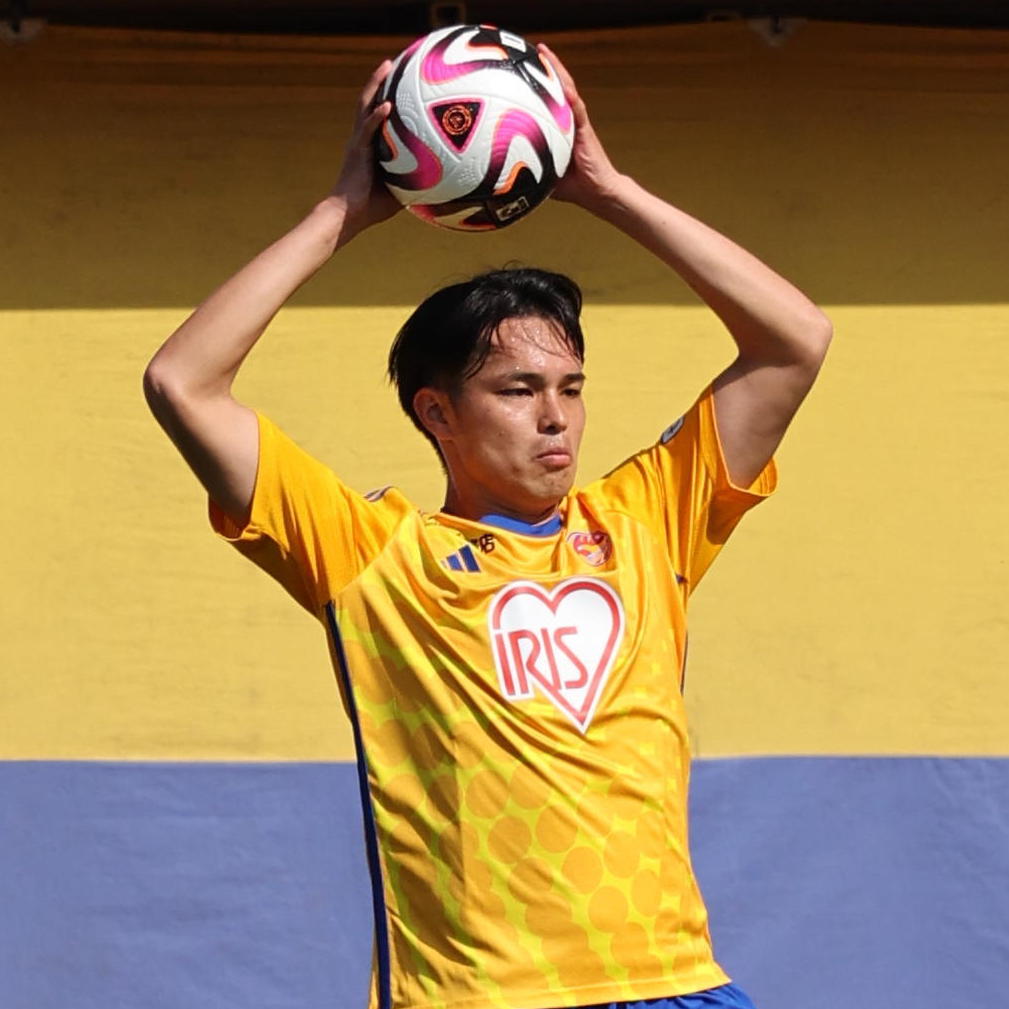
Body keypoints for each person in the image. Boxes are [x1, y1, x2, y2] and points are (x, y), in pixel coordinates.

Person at [144, 43, 831, 1009]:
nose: (555, 417)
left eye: (570, 388)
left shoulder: (645, 523)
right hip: (476, 994)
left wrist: (608, 191)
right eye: (516, 389)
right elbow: (183, 382)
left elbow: (794, 340)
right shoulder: (375, 556)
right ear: (436, 413)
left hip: (674, 982)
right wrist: (342, 211)